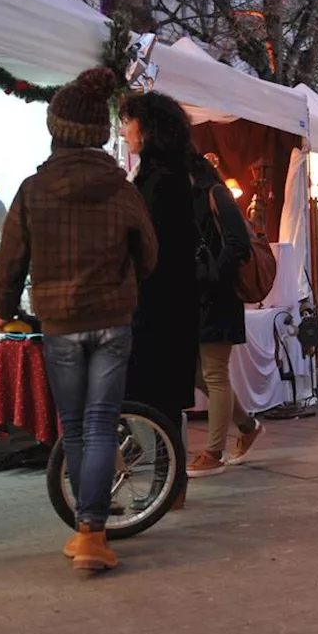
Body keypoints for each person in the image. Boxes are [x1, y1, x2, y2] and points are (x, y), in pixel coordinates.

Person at [0, 67, 158, 572]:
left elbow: (10, 261)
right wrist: (123, 279)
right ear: (98, 134)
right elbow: (149, 254)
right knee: (103, 421)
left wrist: (4, 312)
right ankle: (91, 533)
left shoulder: (32, 190)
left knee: (76, 427)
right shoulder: (122, 188)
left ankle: (87, 530)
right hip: (112, 318)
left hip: (60, 321)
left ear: (56, 129)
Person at [119, 92, 200, 502]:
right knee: (159, 397)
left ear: (148, 128)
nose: (122, 130)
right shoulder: (168, 175)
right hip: (167, 300)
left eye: (128, 121)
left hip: (159, 303)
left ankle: (168, 484)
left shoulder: (161, 180)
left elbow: (153, 245)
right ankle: (168, 483)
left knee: (158, 396)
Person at [189, 152, 264, 477]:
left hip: (220, 297)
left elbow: (238, 245)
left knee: (215, 372)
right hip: (197, 297)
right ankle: (247, 426)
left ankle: (213, 452)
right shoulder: (190, 199)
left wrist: (214, 278)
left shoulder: (216, 194)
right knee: (198, 374)